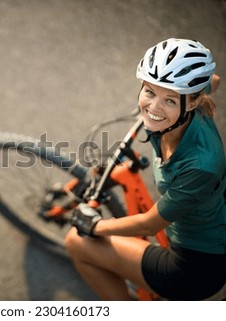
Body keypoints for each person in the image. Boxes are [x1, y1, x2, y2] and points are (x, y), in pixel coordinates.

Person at [65, 38, 225, 300]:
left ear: (194, 101)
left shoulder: (201, 166)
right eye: (149, 92)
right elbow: (213, 81)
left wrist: (94, 226)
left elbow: (148, 225)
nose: (153, 109)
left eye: (170, 101)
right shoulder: (189, 100)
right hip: (206, 219)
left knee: (75, 242)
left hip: (194, 267)